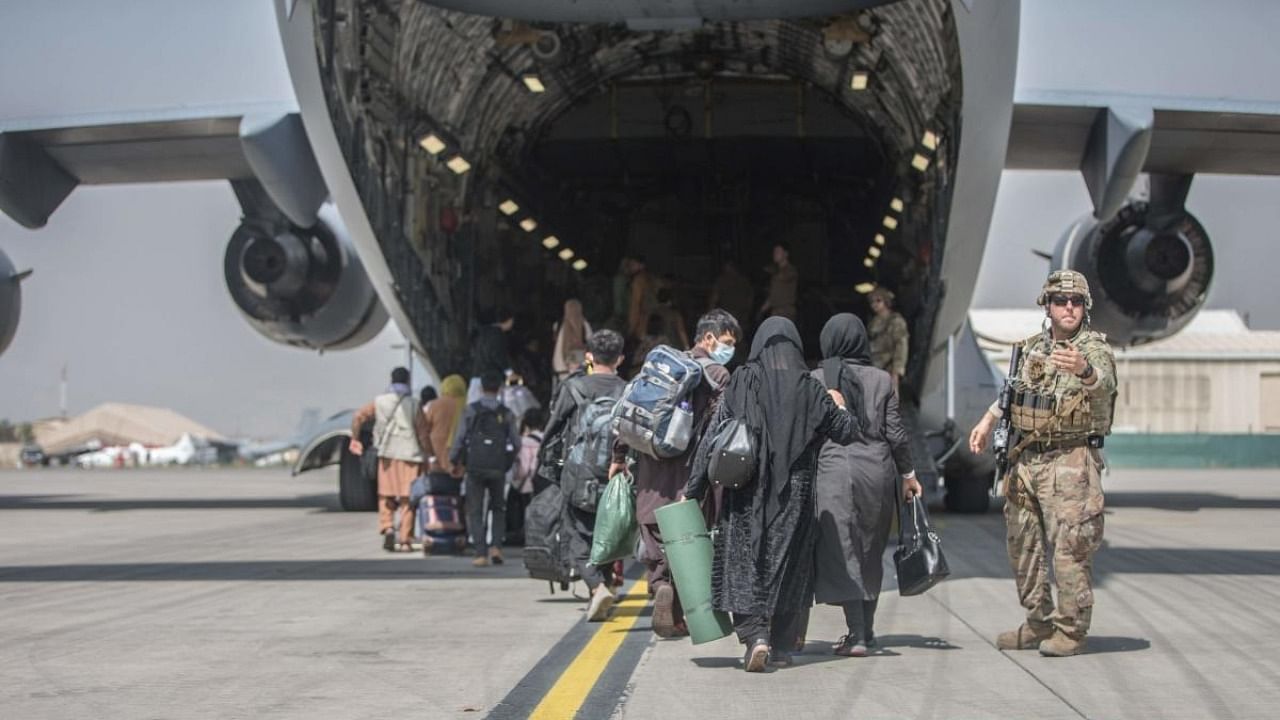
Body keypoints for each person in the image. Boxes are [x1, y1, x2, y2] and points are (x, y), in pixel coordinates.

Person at [685, 317, 856, 672]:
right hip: (795, 495)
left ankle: (754, 636)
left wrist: (695, 488)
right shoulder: (810, 389)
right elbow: (846, 433)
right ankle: (779, 645)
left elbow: (714, 437)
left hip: (746, 492)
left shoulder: (742, 381)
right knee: (788, 568)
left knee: (743, 565)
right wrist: (838, 404)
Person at [968, 270, 1117, 657]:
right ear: (1047, 306)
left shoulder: (1093, 350)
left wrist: (1083, 370)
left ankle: (1070, 631)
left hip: (1070, 461)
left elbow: (1104, 385)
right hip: (1026, 461)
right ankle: (1037, 622)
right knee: (1024, 545)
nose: (1069, 308)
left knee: (1070, 547)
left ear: (1086, 308)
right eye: (1060, 301)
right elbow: (1012, 392)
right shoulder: (1033, 347)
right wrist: (987, 422)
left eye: (1077, 302)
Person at [608, 309, 740, 638]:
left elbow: (628, 411)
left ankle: (659, 586)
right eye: (727, 341)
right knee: (688, 537)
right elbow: (717, 430)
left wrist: (618, 456)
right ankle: (677, 606)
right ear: (708, 337)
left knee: (653, 529)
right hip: (688, 471)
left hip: (650, 468)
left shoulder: (660, 366)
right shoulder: (718, 375)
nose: (729, 348)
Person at [811, 314, 922, 657]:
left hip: (833, 470)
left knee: (842, 551)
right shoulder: (882, 380)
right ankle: (867, 632)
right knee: (871, 550)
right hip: (878, 471)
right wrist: (908, 475)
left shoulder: (817, 378)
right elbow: (896, 434)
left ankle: (857, 634)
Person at [541, 329, 628, 621]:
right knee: (608, 533)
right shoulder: (628, 390)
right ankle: (602, 587)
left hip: (579, 473)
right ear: (621, 359)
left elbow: (553, 429)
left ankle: (596, 586)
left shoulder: (574, 388)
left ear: (589, 356)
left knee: (577, 535)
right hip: (617, 473)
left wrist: (547, 464)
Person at [350, 367, 432, 552]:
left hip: (386, 455)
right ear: (408, 381)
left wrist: (355, 439)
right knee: (407, 499)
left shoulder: (379, 402)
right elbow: (423, 433)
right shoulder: (413, 404)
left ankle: (387, 527)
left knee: (385, 495)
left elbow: (358, 416)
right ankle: (404, 540)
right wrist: (429, 454)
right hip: (410, 456)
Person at [451, 371, 521, 567]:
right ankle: (496, 547)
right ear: (499, 389)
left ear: (481, 388)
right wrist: (508, 459)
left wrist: (454, 460)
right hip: (498, 467)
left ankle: (480, 553)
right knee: (498, 507)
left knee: (475, 509)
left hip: (475, 466)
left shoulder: (470, 410)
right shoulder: (506, 413)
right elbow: (516, 442)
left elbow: (459, 438)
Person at [506, 407, 546, 545]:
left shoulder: (525, 442)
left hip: (528, 485)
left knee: (525, 511)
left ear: (526, 423)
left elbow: (523, 468)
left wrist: (516, 483)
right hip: (544, 483)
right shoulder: (547, 438)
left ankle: (524, 537)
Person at [867, 287, 909, 390]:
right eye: (872, 301)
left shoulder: (895, 321)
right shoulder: (873, 323)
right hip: (874, 367)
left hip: (888, 367)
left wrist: (897, 370)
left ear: (886, 301)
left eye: (878, 300)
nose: (875, 304)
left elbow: (901, 345)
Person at [469, 311, 514, 403]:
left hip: (477, 376)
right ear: (508, 321)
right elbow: (497, 354)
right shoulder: (497, 334)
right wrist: (509, 372)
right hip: (490, 380)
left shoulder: (484, 333)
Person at [553, 299, 593, 386]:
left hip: (561, 369)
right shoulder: (584, 325)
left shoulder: (558, 325)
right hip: (580, 369)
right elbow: (591, 345)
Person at [709, 259, 755, 335]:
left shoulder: (724, 280)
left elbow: (714, 298)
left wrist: (710, 311)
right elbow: (750, 296)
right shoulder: (742, 280)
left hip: (734, 312)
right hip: (739, 312)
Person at [758, 243, 798, 323]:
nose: (775, 254)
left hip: (786, 313)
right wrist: (762, 310)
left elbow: (784, 276)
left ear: (786, 254)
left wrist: (771, 270)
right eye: (774, 252)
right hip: (775, 313)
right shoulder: (776, 273)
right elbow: (773, 295)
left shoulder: (790, 270)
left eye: (778, 251)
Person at [626, 256, 657, 344]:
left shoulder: (638, 280)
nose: (630, 267)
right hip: (653, 321)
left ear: (641, 265)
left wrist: (632, 327)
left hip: (642, 322)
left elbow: (635, 304)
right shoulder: (650, 278)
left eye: (633, 264)